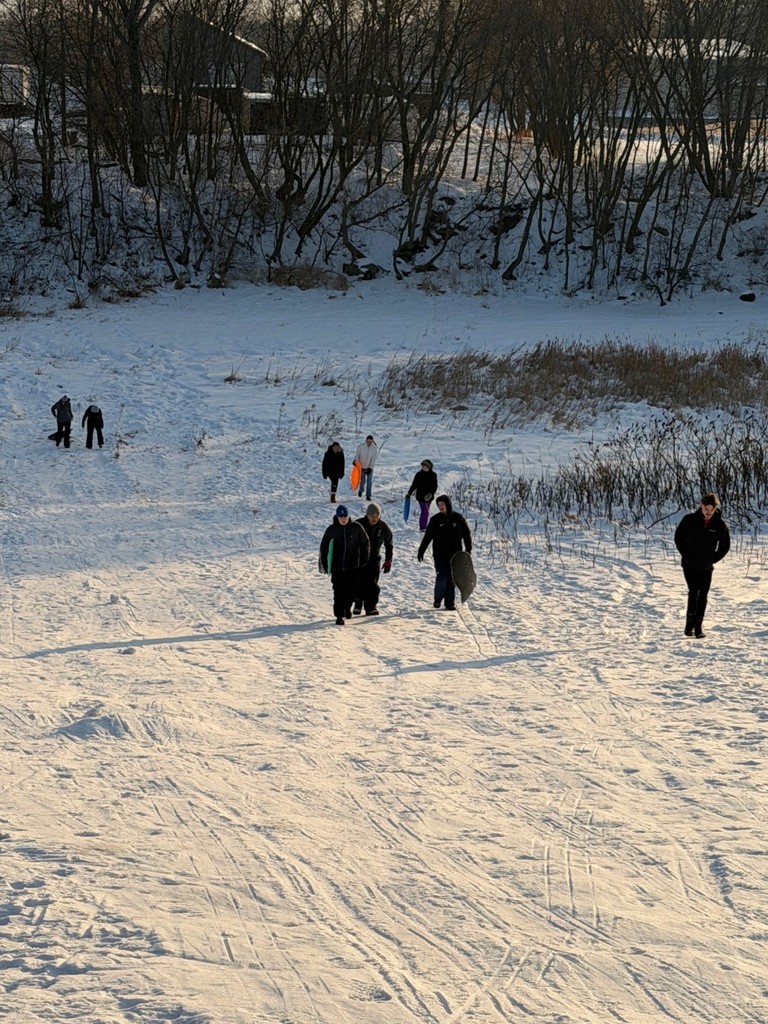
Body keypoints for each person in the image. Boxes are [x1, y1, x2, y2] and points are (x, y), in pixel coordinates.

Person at [674, 492, 730, 638]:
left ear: (715, 508)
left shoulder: (720, 525)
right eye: (706, 509)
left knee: (703, 595)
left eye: (711, 510)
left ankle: (698, 628)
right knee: (694, 591)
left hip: (706, 566)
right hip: (689, 564)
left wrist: (712, 559)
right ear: (701, 506)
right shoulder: (690, 520)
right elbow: (679, 538)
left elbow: (725, 545)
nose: (708, 513)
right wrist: (686, 555)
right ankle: (689, 625)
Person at [417, 494, 472, 611]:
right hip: (440, 555)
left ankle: (449, 603)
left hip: (455, 555)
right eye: (439, 505)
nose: (440, 507)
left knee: (452, 579)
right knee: (442, 576)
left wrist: (468, 551)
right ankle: (437, 599)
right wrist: (421, 551)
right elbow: (428, 537)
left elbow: (467, 535)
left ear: (448, 504)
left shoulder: (458, 518)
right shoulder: (435, 520)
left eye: (442, 504)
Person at [319, 504, 370, 625]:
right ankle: (339, 615)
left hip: (353, 567)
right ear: (337, 517)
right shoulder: (332, 530)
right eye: (340, 516)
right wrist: (325, 563)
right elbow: (324, 546)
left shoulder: (356, 528)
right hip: (337, 568)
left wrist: (364, 559)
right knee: (338, 591)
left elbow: (365, 542)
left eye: (345, 516)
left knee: (351, 592)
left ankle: (347, 607)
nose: (343, 519)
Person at [354, 503, 394, 616]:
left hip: (374, 559)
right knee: (359, 582)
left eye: (376, 516)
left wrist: (388, 560)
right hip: (359, 559)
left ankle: (370, 607)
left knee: (372, 584)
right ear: (367, 515)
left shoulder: (383, 527)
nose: (374, 518)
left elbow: (389, 544)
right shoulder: (358, 525)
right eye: (372, 516)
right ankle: (358, 603)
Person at [405, 459, 438, 531]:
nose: (422, 467)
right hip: (420, 497)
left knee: (426, 512)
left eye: (424, 466)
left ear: (429, 467)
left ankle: (424, 526)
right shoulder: (418, 474)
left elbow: (434, 486)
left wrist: (431, 493)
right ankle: (422, 527)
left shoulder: (433, 475)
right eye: (422, 466)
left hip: (429, 497)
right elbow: (414, 485)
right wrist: (409, 493)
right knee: (425, 511)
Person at [354, 435, 378, 500]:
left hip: (370, 467)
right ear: (366, 440)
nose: (369, 443)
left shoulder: (374, 448)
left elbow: (374, 459)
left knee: (369, 481)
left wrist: (370, 467)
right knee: (362, 480)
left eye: (371, 441)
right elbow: (357, 455)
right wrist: (355, 461)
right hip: (361, 466)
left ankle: (368, 495)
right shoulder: (361, 446)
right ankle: (361, 490)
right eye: (368, 441)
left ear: (372, 441)